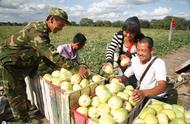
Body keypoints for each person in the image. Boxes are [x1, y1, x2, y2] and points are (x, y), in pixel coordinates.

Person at [0, 7, 73, 122]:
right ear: (53, 20)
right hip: (9, 67)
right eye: (61, 25)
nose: (61, 28)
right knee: (18, 102)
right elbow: (52, 55)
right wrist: (75, 68)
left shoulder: (43, 31)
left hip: (18, 67)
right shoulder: (37, 31)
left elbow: (44, 56)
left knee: (21, 95)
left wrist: (57, 69)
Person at [123, 36, 167, 103]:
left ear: (151, 50)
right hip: (141, 95)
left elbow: (162, 86)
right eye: (138, 50)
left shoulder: (158, 63)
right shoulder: (135, 60)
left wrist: (144, 93)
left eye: (143, 50)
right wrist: (119, 79)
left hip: (155, 98)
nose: (140, 53)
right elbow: (125, 76)